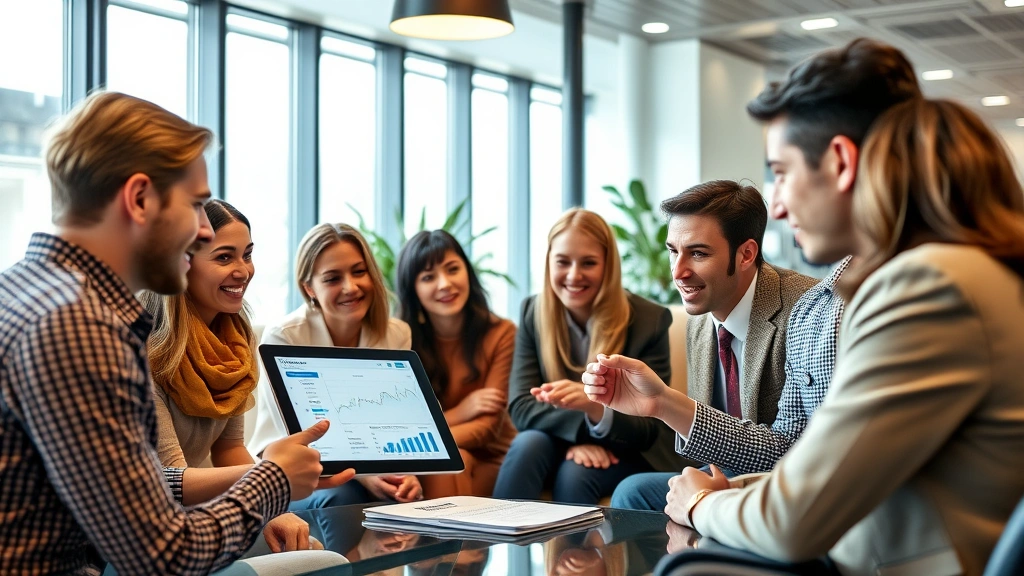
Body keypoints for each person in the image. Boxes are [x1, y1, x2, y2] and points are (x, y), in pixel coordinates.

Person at [603, 46, 1024, 576]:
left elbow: (797, 515)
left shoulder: (925, 284)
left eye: (781, 171)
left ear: (843, 164)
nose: (776, 205)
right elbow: (802, 463)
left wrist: (704, 503)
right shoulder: (939, 272)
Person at [0, 91, 348, 574]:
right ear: (139, 198)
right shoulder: (79, 329)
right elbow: (164, 555)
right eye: (196, 205)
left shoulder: (24, 291)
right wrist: (273, 479)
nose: (204, 231)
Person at [595, 180, 816, 508]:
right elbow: (707, 450)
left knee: (636, 491)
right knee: (633, 491)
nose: (678, 272)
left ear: (746, 254)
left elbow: (790, 451)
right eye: (673, 251)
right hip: (727, 472)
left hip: (784, 482)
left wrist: (665, 403)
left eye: (697, 253)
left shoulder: (804, 308)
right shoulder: (700, 317)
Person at [141, 199, 324, 553]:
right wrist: (271, 477)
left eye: (247, 254)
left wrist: (272, 506)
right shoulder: (143, 351)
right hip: (152, 524)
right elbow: (172, 481)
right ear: (182, 265)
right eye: (225, 257)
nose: (244, 270)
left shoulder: (235, 341)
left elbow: (229, 449)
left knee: (312, 550)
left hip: (196, 509)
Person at [491, 208, 678, 505]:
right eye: (563, 262)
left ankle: (573, 554)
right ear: (549, 263)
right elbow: (522, 407)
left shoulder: (649, 320)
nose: (574, 275)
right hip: (556, 441)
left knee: (575, 473)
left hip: (633, 451)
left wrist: (595, 410)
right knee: (528, 443)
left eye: (588, 263)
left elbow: (648, 428)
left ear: (608, 267)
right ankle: (498, 544)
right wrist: (580, 434)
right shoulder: (532, 311)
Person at [248, 222, 423, 508]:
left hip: (373, 467)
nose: (350, 287)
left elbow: (396, 426)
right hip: (296, 470)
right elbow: (301, 436)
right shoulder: (285, 336)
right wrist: (364, 476)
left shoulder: (397, 333)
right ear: (309, 288)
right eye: (332, 278)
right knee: (342, 499)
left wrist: (404, 475)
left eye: (359, 272)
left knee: (408, 495)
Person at [395, 230, 517, 499]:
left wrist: (416, 441)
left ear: (467, 273)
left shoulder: (502, 333)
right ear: (412, 289)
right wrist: (462, 411)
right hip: (433, 457)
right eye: (428, 277)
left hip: (493, 458)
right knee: (448, 463)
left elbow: (486, 428)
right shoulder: (402, 339)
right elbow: (403, 427)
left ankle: (454, 542)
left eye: (453, 269)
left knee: (452, 463)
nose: (445, 284)